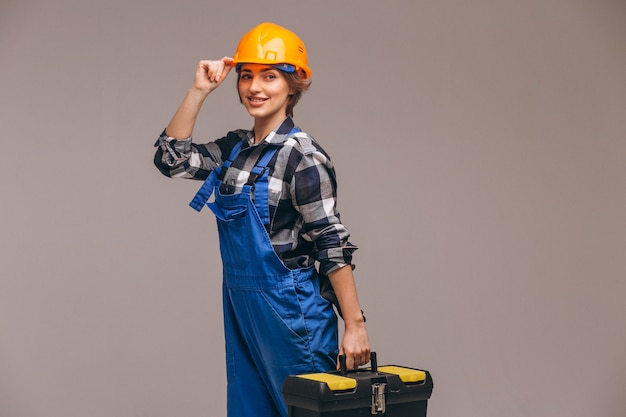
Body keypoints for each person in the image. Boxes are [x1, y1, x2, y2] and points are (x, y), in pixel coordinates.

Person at [153, 22, 370, 417]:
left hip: (292, 312)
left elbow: (332, 243)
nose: (255, 87)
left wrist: (354, 325)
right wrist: (200, 90)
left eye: (270, 76)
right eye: (247, 76)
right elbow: (173, 160)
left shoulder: (302, 155)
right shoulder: (235, 148)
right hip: (242, 307)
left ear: (294, 85)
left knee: (306, 412)